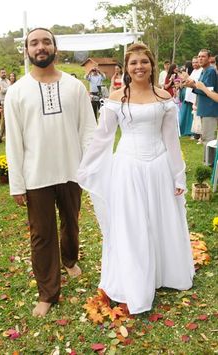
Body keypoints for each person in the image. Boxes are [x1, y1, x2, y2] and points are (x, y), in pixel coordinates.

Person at [77, 43, 195, 315]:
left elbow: (171, 140)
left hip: (159, 167)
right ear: (126, 67)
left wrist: (178, 175)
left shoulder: (163, 96)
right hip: (128, 167)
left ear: (152, 65)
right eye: (133, 63)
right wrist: (85, 168)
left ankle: (164, 274)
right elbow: (102, 138)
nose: (139, 66)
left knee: (160, 219)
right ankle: (135, 281)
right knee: (132, 224)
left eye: (144, 61)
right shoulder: (117, 97)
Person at [4, 28, 96, 317]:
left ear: (55, 47)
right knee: (42, 235)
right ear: (27, 50)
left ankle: (69, 260)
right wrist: (17, 184)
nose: (40, 47)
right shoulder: (17, 92)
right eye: (34, 43)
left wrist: (91, 169)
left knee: (71, 222)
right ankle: (47, 292)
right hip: (36, 176)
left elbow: (88, 131)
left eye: (46, 42)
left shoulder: (74, 87)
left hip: (72, 170)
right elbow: (14, 142)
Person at [186, 49, 218, 164]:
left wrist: (193, 86)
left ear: (209, 58)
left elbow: (208, 91)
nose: (200, 59)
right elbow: (201, 88)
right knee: (205, 138)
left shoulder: (210, 71)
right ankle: (208, 161)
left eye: (203, 56)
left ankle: (209, 163)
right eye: (199, 56)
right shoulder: (204, 71)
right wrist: (193, 85)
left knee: (209, 139)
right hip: (204, 108)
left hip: (210, 109)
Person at [0, 68, 11, 140]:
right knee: (4, 119)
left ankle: (5, 136)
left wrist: (9, 88)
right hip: (3, 102)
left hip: (9, 101)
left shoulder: (7, 80)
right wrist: (10, 88)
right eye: (2, 73)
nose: (4, 74)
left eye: (4, 72)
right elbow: (2, 91)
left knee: (8, 119)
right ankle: (0, 136)